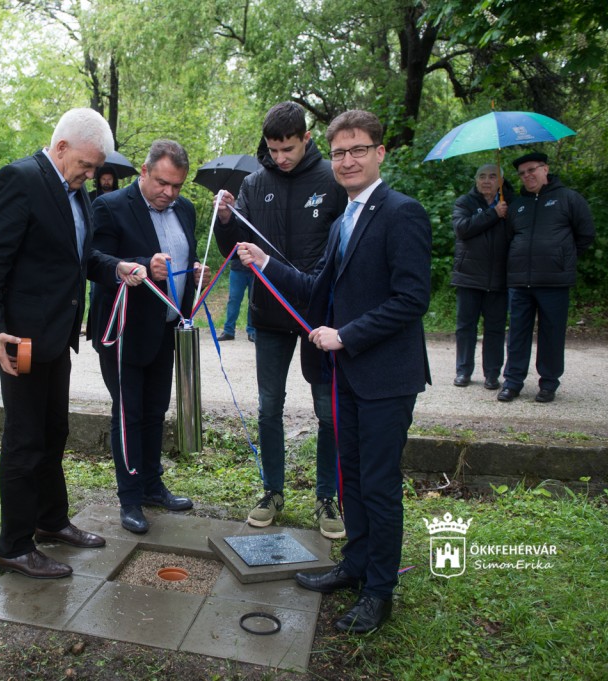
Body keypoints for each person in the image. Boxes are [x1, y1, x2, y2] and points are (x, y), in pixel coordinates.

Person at [237, 109, 431, 634]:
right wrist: (266, 264)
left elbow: (412, 299)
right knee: (352, 479)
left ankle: (379, 592)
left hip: (386, 377)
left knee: (379, 486)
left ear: (379, 153)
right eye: (340, 152)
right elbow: (315, 287)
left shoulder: (402, 212)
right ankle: (355, 565)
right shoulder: (345, 218)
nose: (347, 161)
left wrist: (345, 335)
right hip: (348, 375)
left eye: (358, 150)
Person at [0, 107, 142, 579]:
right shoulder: (20, 180)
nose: (90, 175)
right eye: (86, 165)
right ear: (62, 147)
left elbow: (78, 257)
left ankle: (50, 520)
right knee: (25, 440)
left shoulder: (74, 190)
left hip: (57, 336)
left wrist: (116, 267)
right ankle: (14, 545)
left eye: (95, 168)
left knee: (54, 431)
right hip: (20, 340)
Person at [215, 101, 348, 537]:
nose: (280, 157)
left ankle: (327, 497)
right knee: (269, 406)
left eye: (288, 148)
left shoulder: (331, 178)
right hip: (269, 314)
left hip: (318, 316)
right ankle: (272, 490)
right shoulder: (255, 183)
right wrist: (225, 220)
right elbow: (233, 249)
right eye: (273, 150)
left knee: (328, 412)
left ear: (306, 138)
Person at [89, 139, 205, 535]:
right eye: (162, 182)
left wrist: (194, 272)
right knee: (129, 414)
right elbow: (93, 261)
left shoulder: (185, 210)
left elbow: (183, 258)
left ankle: (153, 487)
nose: (169, 193)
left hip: (166, 329)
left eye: (177, 185)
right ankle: (130, 498)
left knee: (156, 411)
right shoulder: (110, 206)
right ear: (144, 171)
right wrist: (140, 265)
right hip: (123, 332)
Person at [497, 152, 595, 404]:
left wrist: (562, 258)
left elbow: (585, 234)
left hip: (554, 281)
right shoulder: (517, 205)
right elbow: (509, 238)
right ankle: (512, 382)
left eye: (532, 170)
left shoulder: (569, 198)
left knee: (552, 334)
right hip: (520, 282)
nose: (527, 175)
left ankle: (549, 383)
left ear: (545, 169)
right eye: (522, 173)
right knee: (517, 334)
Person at [451, 164, 511, 390]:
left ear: (500, 182)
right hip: (469, 276)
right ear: (476, 181)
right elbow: (462, 229)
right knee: (465, 326)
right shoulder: (464, 203)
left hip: (499, 277)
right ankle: (463, 371)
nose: (487, 180)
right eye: (482, 176)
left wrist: (503, 213)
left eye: (493, 176)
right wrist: (493, 214)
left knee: (495, 328)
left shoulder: (510, 203)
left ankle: (492, 374)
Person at [217, 258, 255, 342]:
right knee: (233, 300)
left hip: (256, 269)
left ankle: (252, 331)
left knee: (253, 301)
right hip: (237, 268)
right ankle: (228, 331)